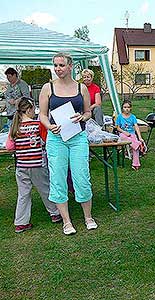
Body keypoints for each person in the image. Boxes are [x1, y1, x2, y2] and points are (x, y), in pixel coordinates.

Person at [39, 52, 97, 235]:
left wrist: (83, 116)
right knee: (58, 179)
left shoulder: (82, 88)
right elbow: (41, 114)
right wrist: (49, 126)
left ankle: (88, 217)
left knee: (82, 177)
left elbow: (88, 112)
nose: (58, 69)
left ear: (71, 66)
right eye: (55, 65)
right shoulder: (48, 88)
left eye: (62, 65)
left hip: (78, 137)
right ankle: (67, 222)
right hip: (56, 140)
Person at [6, 97, 62, 233]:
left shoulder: (15, 127)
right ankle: (55, 213)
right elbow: (46, 140)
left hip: (21, 166)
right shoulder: (38, 125)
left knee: (23, 194)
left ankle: (21, 222)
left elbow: (9, 147)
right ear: (29, 110)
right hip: (37, 164)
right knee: (45, 189)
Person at [115, 100, 145, 170]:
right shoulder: (119, 117)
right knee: (134, 143)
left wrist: (140, 137)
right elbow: (117, 128)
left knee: (135, 147)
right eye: (125, 107)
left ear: (131, 108)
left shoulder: (133, 117)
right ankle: (139, 144)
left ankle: (135, 164)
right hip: (123, 134)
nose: (127, 109)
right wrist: (125, 132)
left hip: (132, 134)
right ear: (122, 108)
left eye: (128, 107)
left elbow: (136, 127)